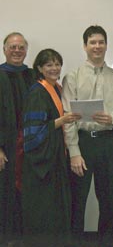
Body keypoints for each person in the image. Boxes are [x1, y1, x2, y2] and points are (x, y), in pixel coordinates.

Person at [61, 25, 113, 247]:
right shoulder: (72, 77)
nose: (97, 46)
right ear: (85, 46)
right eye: (92, 42)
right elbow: (68, 118)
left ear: (106, 45)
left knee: (109, 200)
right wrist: (74, 152)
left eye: (101, 42)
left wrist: (112, 119)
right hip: (82, 143)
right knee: (77, 200)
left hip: (109, 143)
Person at [22, 49, 81, 246]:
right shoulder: (37, 92)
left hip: (55, 158)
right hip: (42, 164)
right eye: (49, 65)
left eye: (57, 64)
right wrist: (60, 121)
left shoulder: (56, 88)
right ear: (39, 68)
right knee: (45, 211)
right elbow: (32, 132)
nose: (54, 68)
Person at [0, 32, 36, 246]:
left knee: (29, 193)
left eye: (21, 47)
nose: (17, 50)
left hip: (31, 149)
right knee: (6, 194)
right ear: (4, 49)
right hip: (6, 149)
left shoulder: (33, 76)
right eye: (12, 46)